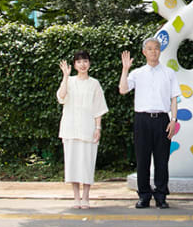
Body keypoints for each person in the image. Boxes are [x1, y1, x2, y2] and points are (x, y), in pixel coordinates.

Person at [119, 38, 178, 209]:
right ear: (144, 52)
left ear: (160, 51)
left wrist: (173, 120)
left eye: (156, 48)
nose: (153, 51)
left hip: (162, 120)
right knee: (142, 159)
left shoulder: (169, 73)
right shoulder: (137, 73)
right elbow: (123, 89)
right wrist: (125, 69)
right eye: (150, 49)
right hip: (142, 120)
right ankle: (143, 195)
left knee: (162, 160)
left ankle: (161, 195)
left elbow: (174, 98)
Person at [58, 51, 108, 209]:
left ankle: (86, 196)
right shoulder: (70, 81)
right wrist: (65, 76)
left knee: (87, 162)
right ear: (74, 65)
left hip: (88, 129)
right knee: (72, 163)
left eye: (85, 61)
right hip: (70, 128)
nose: (82, 64)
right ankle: (76, 197)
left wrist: (98, 128)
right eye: (79, 62)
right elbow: (61, 96)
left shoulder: (94, 84)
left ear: (89, 63)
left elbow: (98, 108)